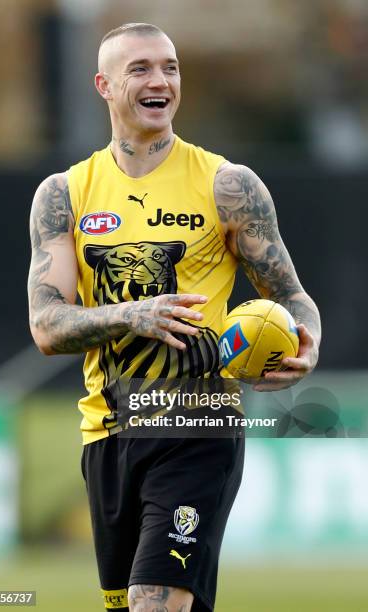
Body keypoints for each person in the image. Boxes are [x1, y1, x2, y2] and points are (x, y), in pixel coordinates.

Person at [28, 22, 321, 612]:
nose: (160, 80)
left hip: (198, 427)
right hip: (108, 434)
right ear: (104, 85)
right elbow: (46, 325)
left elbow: (292, 296)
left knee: (152, 602)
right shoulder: (65, 194)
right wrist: (133, 313)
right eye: (140, 69)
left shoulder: (228, 186)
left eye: (170, 67)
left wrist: (304, 346)